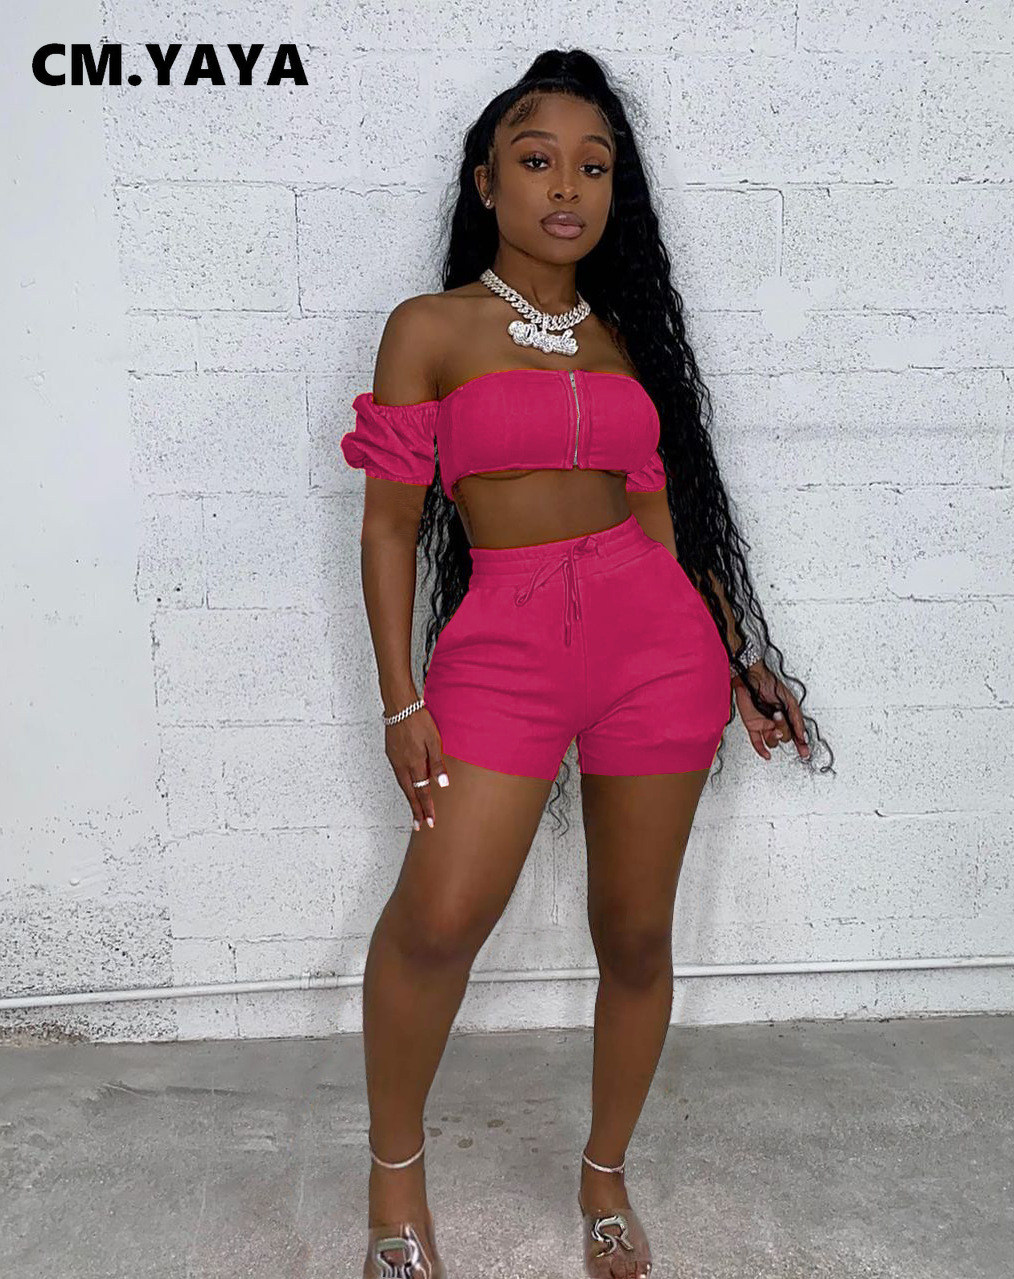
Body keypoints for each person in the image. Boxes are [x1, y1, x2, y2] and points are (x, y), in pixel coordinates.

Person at [341, 48, 832, 1279]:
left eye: (593, 165)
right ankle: (394, 1182)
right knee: (439, 916)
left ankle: (603, 1173)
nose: (566, 185)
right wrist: (399, 698)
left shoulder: (622, 341)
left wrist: (735, 656)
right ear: (486, 181)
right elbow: (390, 527)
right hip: (500, 651)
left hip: (653, 650)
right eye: (536, 158)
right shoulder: (429, 329)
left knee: (635, 933)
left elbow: (660, 521)